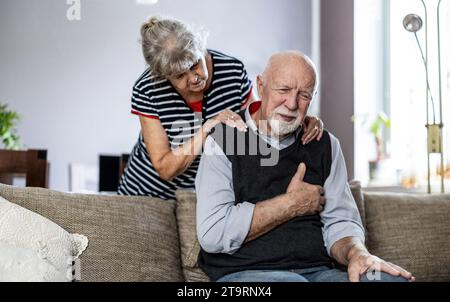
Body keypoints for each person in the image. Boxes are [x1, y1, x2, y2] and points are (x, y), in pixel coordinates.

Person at [195, 51, 415, 282]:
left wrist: (356, 253)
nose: (291, 104)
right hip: (245, 273)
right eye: (283, 90)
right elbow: (213, 233)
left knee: (393, 281)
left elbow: (340, 222)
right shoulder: (222, 141)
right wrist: (290, 204)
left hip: (319, 273)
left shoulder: (325, 144)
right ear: (261, 86)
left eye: (304, 95)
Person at [118, 16, 324, 200]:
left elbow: (262, 122)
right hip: (147, 194)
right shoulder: (147, 88)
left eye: (195, 64)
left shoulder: (232, 71)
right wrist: (207, 128)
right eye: (180, 75)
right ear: (164, 76)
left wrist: (300, 119)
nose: (194, 78)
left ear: (201, 48)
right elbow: (165, 167)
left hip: (204, 194)